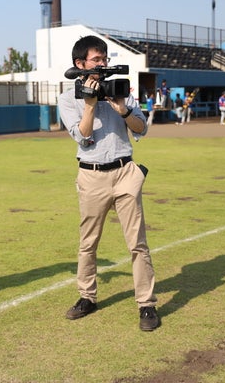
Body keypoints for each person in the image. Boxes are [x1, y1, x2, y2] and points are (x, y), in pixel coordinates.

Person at [58, 35, 159, 332]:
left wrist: (123, 109)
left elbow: (143, 128)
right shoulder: (68, 98)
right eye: (97, 60)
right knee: (88, 242)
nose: (103, 64)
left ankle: (146, 304)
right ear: (80, 64)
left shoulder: (121, 90)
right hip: (91, 175)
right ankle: (87, 297)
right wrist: (89, 104)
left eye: (105, 59)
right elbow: (83, 137)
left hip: (125, 171)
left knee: (137, 244)